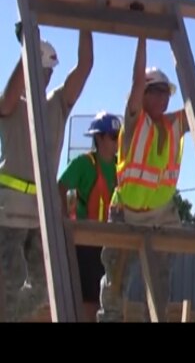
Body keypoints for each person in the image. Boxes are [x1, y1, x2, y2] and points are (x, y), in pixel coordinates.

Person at [96, 16, 195, 323]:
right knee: (114, 287)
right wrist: (143, 35)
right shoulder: (134, 121)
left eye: (165, 92)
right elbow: (136, 81)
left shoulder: (173, 124)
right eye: (156, 91)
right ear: (144, 95)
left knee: (158, 289)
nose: (163, 97)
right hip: (126, 213)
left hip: (162, 216)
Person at [0, 23, 93, 321]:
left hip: (41, 214)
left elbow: (86, 65)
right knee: (10, 282)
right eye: (40, 70)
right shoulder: (13, 105)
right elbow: (8, 99)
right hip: (9, 212)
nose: (45, 77)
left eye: (48, 72)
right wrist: (29, 46)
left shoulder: (56, 106)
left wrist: (85, 22)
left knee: (42, 287)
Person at [57, 111, 121, 322]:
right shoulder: (83, 163)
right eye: (113, 136)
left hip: (110, 241)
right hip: (85, 242)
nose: (117, 141)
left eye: (119, 135)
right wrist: (66, 221)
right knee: (88, 299)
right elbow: (61, 187)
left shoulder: (120, 167)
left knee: (108, 298)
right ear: (99, 137)